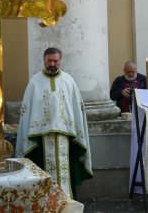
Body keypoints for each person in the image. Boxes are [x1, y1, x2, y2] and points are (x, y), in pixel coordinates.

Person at [15, 47, 93, 200]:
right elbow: (27, 111)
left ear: (60, 61)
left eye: (55, 61)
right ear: (44, 61)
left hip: (65, 137)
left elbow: (77, 109)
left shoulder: (69, 81)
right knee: (41, 172)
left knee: (67, 173)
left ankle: (67, 204)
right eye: (49, 60)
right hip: (40, 139)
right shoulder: (34, 82)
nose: (52, 63)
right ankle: (45, 204)